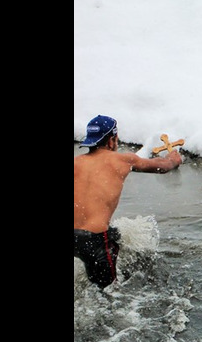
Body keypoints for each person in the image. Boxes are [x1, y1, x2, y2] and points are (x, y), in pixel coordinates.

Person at [73, 114, 183, 288]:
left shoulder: (76, 162)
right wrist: (173, 160)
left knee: (115, 235)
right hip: (95, 240)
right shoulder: (123, 160)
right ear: (111, 140)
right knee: (109, 294)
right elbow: (161, 167)